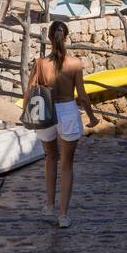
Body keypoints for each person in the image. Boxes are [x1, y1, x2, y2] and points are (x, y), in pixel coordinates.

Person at [29, 21, 98, 229]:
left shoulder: (40, 63)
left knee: (51, 157)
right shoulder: (75, 64)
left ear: (49, 38)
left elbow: (29, 91)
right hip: (67, 111)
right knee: (67, 165)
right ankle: (63, 215)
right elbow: (83, 96)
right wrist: (92, 118)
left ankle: (49, 204)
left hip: (47, 111)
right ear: (65, 38)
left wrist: (27, 115)